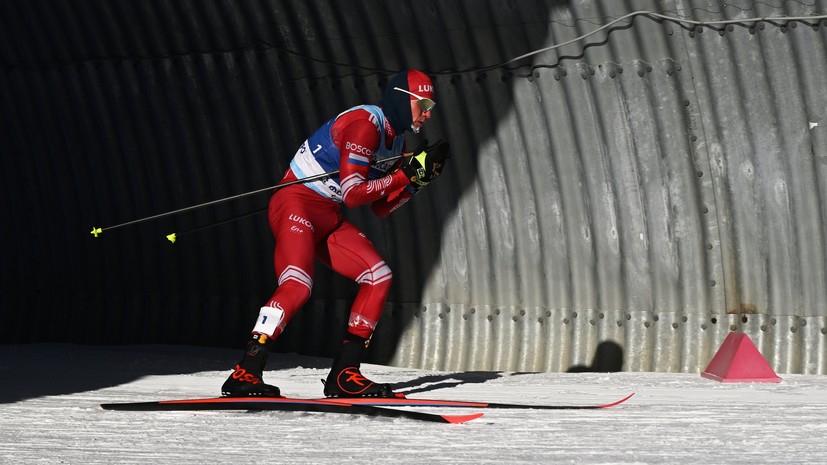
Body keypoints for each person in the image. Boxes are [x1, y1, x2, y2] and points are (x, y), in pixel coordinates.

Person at [221, 69, 450, 398]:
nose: (428, 112)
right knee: (298, 285)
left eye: (432, 105)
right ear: (403, 100)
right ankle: (246, 370)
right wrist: (405, 176)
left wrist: (418, 181)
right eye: (422, 103)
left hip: (327, 214)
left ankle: (345, 373)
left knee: (378, 275)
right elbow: (354, 194)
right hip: (296, 203)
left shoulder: (396, 140)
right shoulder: (366, 126)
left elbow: (380, 208)